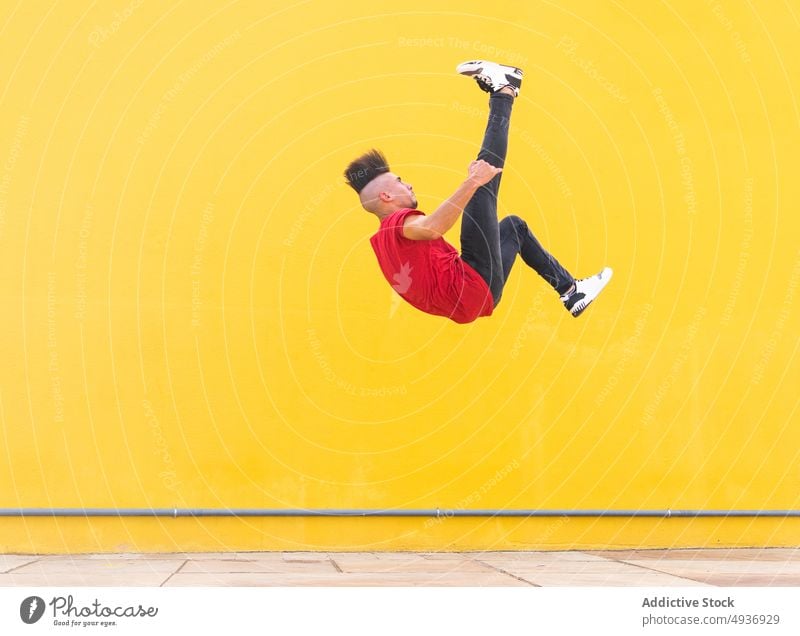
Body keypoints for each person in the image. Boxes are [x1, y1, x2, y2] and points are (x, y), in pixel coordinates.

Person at [344, 60, 612, 324]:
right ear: (386, 197)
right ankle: (504, 91)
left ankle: (571, 292)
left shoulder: (383, 243)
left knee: (514, 228)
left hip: (480, 297)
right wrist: (471, 181)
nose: (409, 185)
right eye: (400, 182)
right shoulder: (396, 225)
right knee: (484, 178)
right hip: (472, 284)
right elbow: (431, 228)